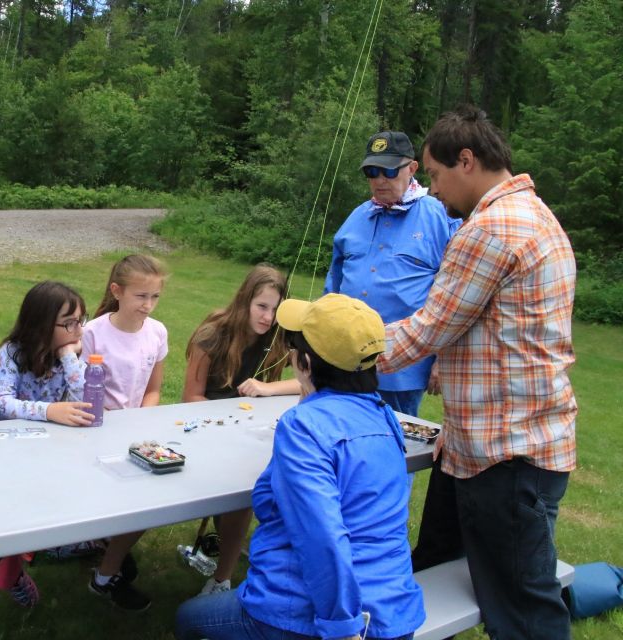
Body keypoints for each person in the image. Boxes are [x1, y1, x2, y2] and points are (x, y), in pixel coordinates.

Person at [379, 105, 577, 639]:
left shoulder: (490, 228)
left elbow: (428, 329)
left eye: (437, 176)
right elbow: (492, 328)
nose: (435, 190)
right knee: (455, 572)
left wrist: (339, 354)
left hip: (505, 456)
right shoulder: (535, 214)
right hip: (506, 444)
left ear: (466, 160)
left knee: (521, 612)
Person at [175, 293, 425, 640]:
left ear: (305, 362)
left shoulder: (305, 426)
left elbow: (323, 534)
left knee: (188, 618)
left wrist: (343, 626)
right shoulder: (386, 418)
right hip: (394, 611)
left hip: (316, 618)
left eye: (293, 346)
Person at [325, 130, 461, 418]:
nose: (379, 180)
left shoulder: (440, 215)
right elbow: (332, 288)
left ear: (411, 168)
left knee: (395, 442)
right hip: (345, 359)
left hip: (403, 368)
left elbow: (455, 296)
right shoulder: (357, 216)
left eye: (388, 170)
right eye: (371, 172)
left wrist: (443, 359)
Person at [182, 264, 299, 596]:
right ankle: (224, 574)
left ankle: (224, 575)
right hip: (206, 426)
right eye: (262, 307)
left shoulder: (279, 336)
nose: (268, 317)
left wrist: (268, 388)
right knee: (242, 491)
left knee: (258, 484)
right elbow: (191, 396)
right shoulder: (213, 334)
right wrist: (224, 425)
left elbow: (309, 382)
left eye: (276, 310)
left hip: (252, 429)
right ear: (245, 300)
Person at [81, 254, 169, 612]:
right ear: (117, 291)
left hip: (137, 435)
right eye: (140, 296)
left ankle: (107, 565)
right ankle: (106, 567)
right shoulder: (92, 333)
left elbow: (153, 390)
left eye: (155, 297)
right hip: (95, 431)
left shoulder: (158, 332)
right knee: (130, 506)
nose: (148, 306)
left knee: (150, 504)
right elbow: (83, 392)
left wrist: (141, 424)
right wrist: (115, 428)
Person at [0, 281, 93, 426]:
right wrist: (49, 411)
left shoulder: (68, 357)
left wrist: (68, 357)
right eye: (69, 323)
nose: (80, 331)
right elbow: (0, 405)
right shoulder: (11, 354)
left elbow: (86, 406)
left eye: (80, 321)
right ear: (42, 326)